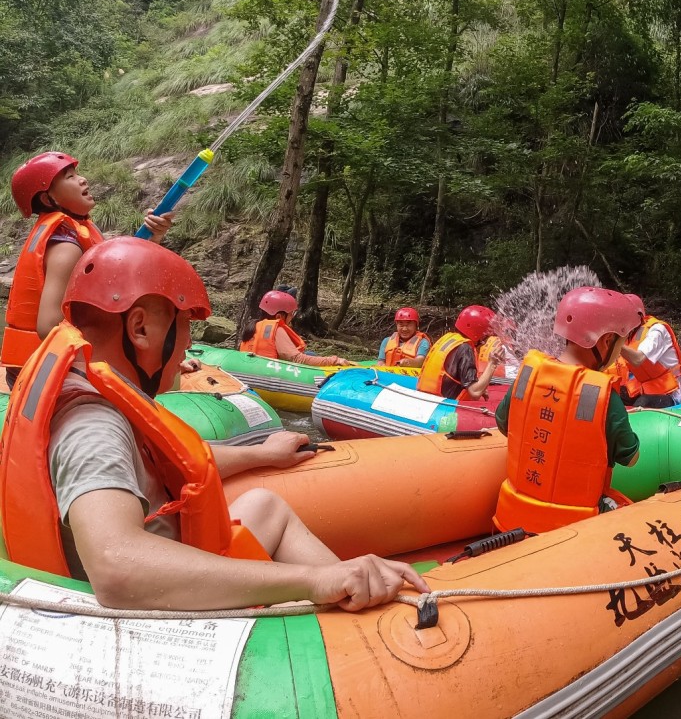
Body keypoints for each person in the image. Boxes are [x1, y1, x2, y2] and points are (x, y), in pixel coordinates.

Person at [0, 238, 427, 610]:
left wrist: (259, 454)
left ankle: (364, 594)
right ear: (140, 327)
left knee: (264, 505)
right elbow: (116, 566)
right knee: (307, 563)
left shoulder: (90, 385)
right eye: (184, 325)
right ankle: (351, 604)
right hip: (152, 604)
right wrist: (314, 582)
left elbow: (164, 464)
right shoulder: (93, 425)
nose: (188, 343)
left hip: (166, 560)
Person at [3, 151, 176, 384]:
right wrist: (109, 357)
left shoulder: (76, 230)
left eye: (77, 173)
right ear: (48, 199)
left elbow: (116, 274)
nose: (82, 179)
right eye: (69, 177)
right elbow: (48, 325)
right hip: (42, 374)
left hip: (46, 365)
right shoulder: (65, 247)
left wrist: (152, 237)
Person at [493, 287, 643, 534]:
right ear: (606, 341)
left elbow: (503, 424)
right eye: (620, 342)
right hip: (570, 532)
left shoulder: (528, 374)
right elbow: (631, 458)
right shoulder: (606, 397)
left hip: (510, 518)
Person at [239, 290, 351, 367]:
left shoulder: (254, 325)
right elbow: (298, 359)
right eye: (291, 313)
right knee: (310, 355)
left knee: (310, 353)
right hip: (269, 373)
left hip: (254, 367)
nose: (293, 316)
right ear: (279, 316)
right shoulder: (276, 329)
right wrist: (334, 360)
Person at [417, 305, 501, 401]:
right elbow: (475, 392)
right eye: (486, 335)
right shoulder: (465, 348)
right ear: (478, 333)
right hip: (443, 406)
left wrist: (479, 384)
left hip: (424, 398)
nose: (485, 341)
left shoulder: (449, 338)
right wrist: (492, 363)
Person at [616, 297, 681, 408]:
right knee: (613, 395)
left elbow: (638, 359)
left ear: (638, 315)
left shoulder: (657, 330)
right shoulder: (629, 335)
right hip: (645, 388)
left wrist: (614, 342)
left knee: (643, 403)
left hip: (669, 392)